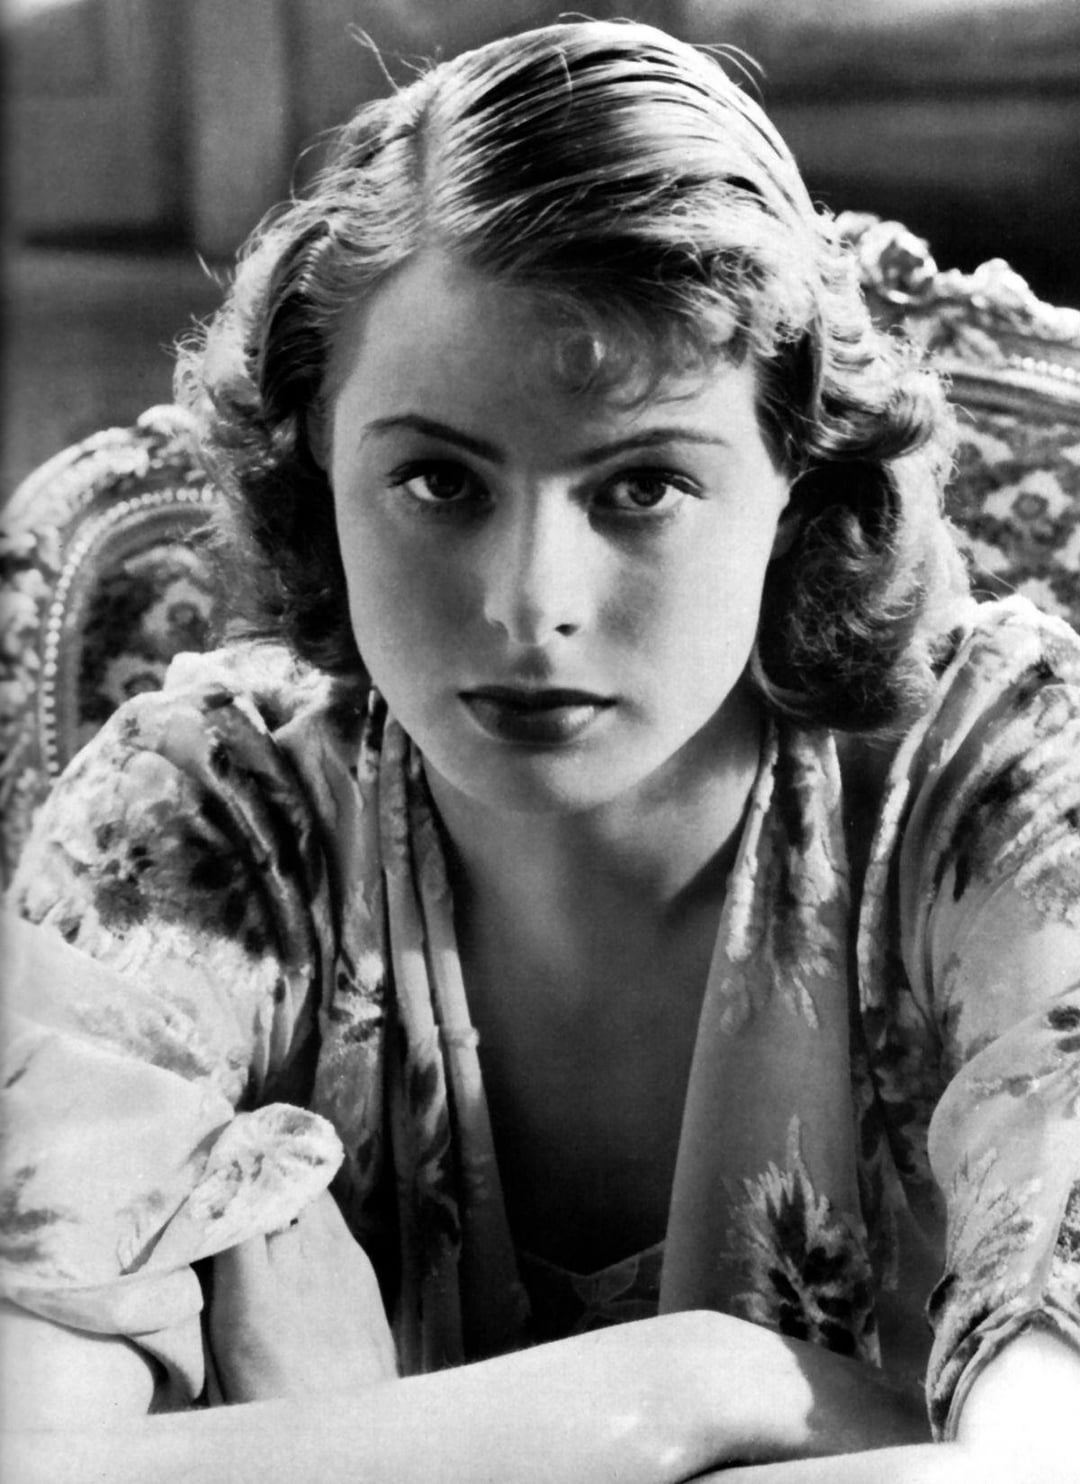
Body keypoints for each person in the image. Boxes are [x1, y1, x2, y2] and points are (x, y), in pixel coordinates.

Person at [3, 18, 1079, 1483]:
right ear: (319, 465)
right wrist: (691, 1389)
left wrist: (329, 1439)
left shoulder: (999, 780)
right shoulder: (203, 816)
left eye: (642, 487)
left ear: (800, 485)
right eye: (438, 481)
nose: (527, 606)